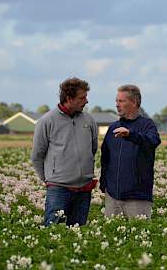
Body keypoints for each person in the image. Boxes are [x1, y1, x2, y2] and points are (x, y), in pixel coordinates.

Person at [31, 77, 98, 226]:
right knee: (53, 230)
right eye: (82, 98)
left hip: (84, 188)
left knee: (78, 232)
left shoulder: (89, 120)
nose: (86, 101)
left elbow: (92, 149)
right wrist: (49, 179)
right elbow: (37, 156)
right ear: (69, 98)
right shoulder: (46, 121)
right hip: (58, 188)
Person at [100, 85, 161, 218]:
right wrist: (104, 184)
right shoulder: (113, 128)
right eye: (116, 101)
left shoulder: (146, 125)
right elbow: (105, 157)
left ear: (134, 102)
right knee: (112, 233)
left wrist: (131, 135)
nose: (117, 105)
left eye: (121, 101)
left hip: (137, 197)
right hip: (113, 197)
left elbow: (153, 141)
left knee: (139, 236)